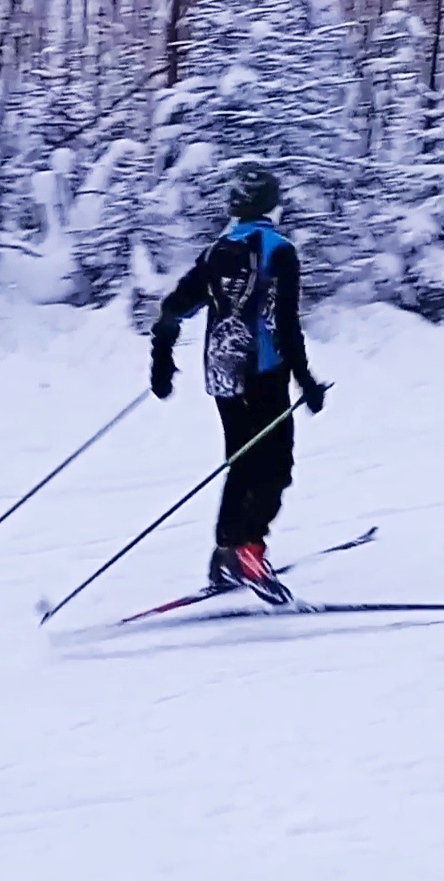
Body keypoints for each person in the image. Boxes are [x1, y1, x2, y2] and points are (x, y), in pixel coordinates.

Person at [149, 162, 327, 604]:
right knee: (275, 465)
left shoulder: (217, 251)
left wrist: (162, 360)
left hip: (222, 373)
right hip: (264, 374)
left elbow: (174, 307)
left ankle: (227, 554)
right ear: (272, 204)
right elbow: (286, 324)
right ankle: (250, 550)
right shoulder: (279, 250)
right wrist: (306, 380)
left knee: (242, 462)